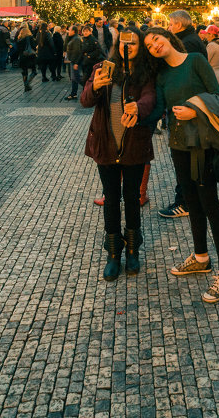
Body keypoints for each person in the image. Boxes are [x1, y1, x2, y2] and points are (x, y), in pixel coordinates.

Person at [144, 27, 219, 303]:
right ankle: (200, 257)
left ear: (168, 38)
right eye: (149, 45)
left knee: (210, 204)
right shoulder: (161, 74)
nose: (154, 46)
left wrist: (195, 109)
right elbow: (159, 107)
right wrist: (136, 114)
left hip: (204, 144)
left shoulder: (195, 60)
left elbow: (218, 98)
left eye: (156, 39)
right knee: (192, 203)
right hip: (179, 144)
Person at [81, 26, 162, 280]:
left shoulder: (144, 73)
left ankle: (132, 250)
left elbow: (150, 98)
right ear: (117, 44)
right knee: (111, 199)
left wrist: (137, 107)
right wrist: (94, 86)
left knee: (132, 198)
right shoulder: (102, 69)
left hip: (133, 146)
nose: (127, 48)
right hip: (106, 145)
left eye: (133, 44)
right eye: (123, 43)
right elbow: (85, 100)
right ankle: (113, 253)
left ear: (139, 48)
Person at [156, 10, 205, 219]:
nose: (168, 27)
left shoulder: (189, 44)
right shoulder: (192, 39)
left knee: (186, 161)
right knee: (187, 160)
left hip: (187, 110)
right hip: (188, 108)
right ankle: (189, 199)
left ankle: (185, 202)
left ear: (178, 24)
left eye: (170, 23)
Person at [15, 24, 37, 92]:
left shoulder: (19, 39)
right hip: (30, 56)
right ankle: (27, 83)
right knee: (34, 71)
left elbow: (17, 49)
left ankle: (26, 86)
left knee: (24, 72)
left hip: (22, 56)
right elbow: (34, 46)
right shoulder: (30, 38)